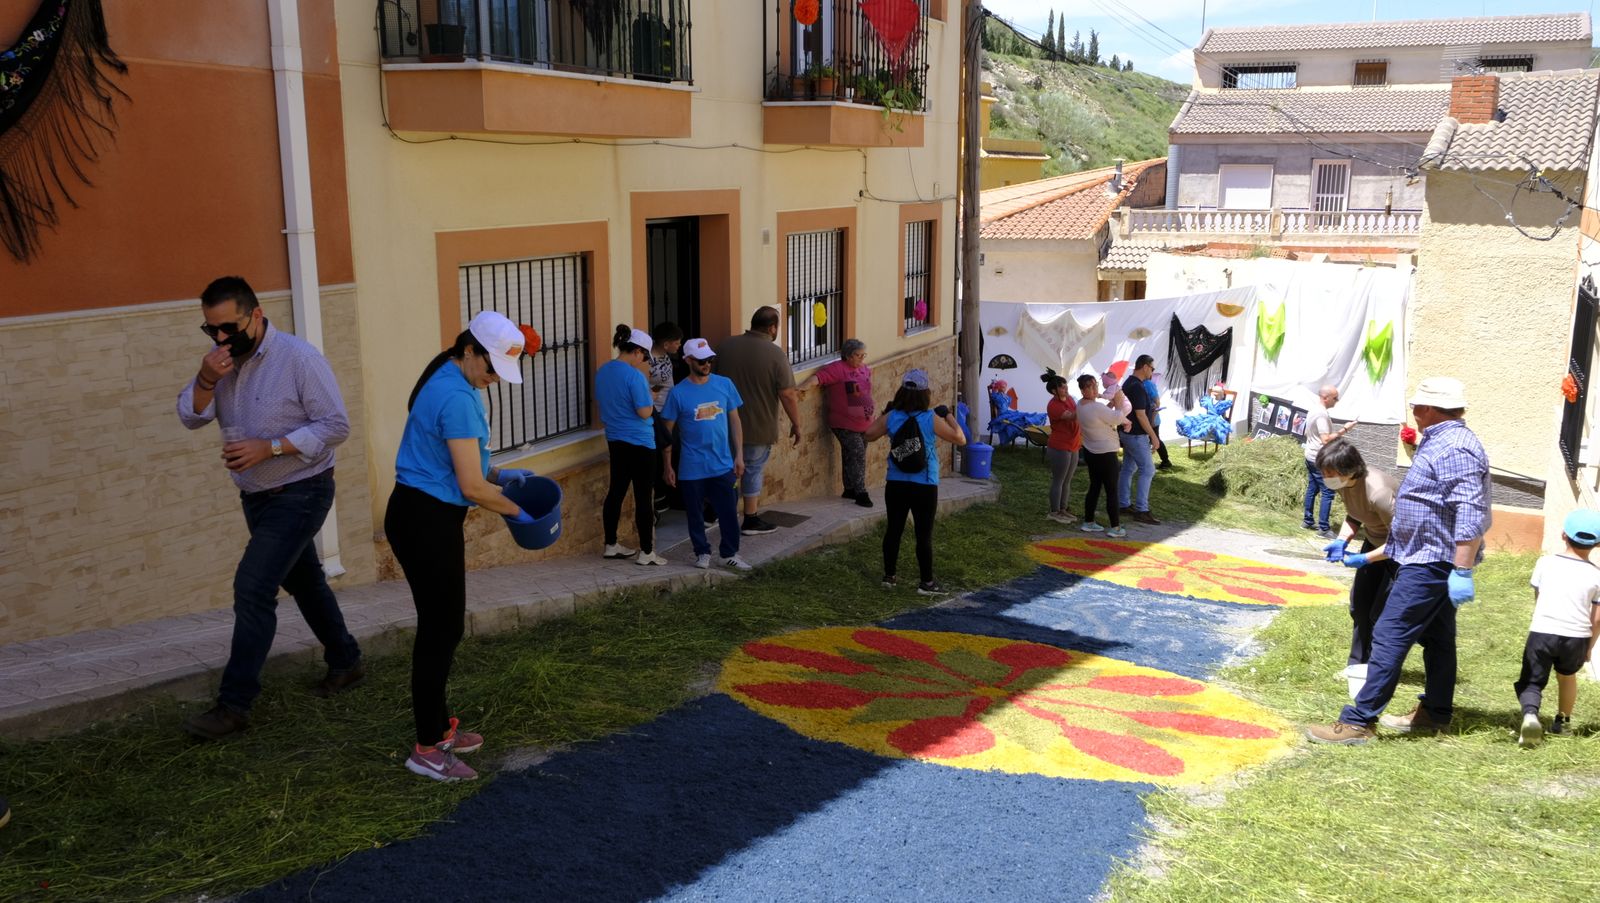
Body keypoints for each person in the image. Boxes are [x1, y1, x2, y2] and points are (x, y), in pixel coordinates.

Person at [175, 276, 363, 741]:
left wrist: (272, 447)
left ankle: (233, 705)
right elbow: (189, 415)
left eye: (230, 328)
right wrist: (205, 379)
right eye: (211, 329)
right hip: (255, 496)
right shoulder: (221, 365)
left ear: (256, 316)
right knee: (305, 580)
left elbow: (336, 425)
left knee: (253, 587)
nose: (221, 339)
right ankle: (346, 660)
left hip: (303, 489)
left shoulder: (298, 359)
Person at [387, 310, 535, 781]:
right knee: (440, 630)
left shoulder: (452, 380)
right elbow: (469, 487)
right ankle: (427, 748)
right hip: (424, 518)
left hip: (422, 513)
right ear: (469, 350)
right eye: (490, 368)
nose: (493, 379)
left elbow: (458, 463)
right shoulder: (456, 395)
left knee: (443, 627)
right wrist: (517, 510)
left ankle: (438, 728)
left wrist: (498, 474)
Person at [1307, 377, 1490, 745]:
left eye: (1416, 405)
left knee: (1389, 633)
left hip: (1431, 561)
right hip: (1426, 555)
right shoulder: (1440, 441)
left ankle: (1359, 721)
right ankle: (1436, 713)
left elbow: (1469, 511)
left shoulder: (1455, 447)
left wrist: (1463, 569)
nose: (1413, 411)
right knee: (1438, 638)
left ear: (1429, 409)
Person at [866, 368, 967, 595]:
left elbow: (868, 434)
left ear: (901, 391)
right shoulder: (930, 418)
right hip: (925, 483)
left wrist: (886, 413)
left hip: (896, 481)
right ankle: (927, 583)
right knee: (923, 534)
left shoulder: (893, 417)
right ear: (925, 394)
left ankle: (889, 577)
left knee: (894, 529)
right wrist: (948, 414)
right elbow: (960, 438)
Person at [1316, 439, 1399, 700]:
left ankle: (1375, 669)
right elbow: (1355, 515)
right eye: (1324, 472)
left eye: (1330, 474)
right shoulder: (1346, 484)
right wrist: (1343, 540)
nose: (1325, 478)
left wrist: (1365, 560)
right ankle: (1356, 664)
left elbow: (1402, 541)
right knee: (1359, 606)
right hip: (1374, 543)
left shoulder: (1380, 492)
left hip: (1399, 553)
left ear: (1350, 470)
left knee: (1379, 614)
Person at [662, 338, 752, 571]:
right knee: (695, 515)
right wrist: (667, 465)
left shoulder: (725, 384)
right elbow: (667, 432)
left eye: (710, 359)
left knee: (729, 512)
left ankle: (729, 553)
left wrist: (739, 455)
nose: (707, 364)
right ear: (688, 360)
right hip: (692, 466)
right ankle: (701, 552)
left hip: (723, 464)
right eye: (701, 360)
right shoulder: (678, 393)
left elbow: (735, 421)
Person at [1513, 510, 1600, 747]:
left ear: (1563, 535)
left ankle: (1531, 715)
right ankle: (1563, 722)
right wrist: (1590, 647)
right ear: (1598, 543)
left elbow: (1538, 595)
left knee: (1532, 681)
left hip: (1543, 631)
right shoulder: (1596, 574)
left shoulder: (1546, 562)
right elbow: (1598, 617)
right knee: (1568, 676)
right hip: (1577, 637)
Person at [716, 307, 800, 536]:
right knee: (751, 470)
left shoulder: (725, 346)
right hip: (757, 425)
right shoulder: (775, 354)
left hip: (721, 424)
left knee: (724, 467)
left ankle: (717, 511)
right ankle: (750, 518)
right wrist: (797, 424)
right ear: (773, 327)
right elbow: (787, 394)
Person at [597, 324, 664, 565]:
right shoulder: (634, 376)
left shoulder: (602, 371)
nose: (643, 361)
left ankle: (610, 544)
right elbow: (644, 412)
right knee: (643, 496)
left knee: (616, 492)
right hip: (641, 443)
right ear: (636, 351)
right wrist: (651, 396)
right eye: (644, 356)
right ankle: (647, 552)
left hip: (615, 440)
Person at [801, 339, 875, 507]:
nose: (862, 358)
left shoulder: (864, 369)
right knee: (857, 454)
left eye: (864, 355)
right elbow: (818, 378)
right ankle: (860, 493)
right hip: (844, 423)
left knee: (851, 454)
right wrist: (801, 387)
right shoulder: (838, 369)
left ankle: (849, 489)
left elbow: (866, 391)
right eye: (858, 355)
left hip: (864, 423)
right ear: (848, 356)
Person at [1076, 374, 1131, 538]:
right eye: (1089, 387)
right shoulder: (1096, 407)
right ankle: (1115, 526)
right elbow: (1118, 417)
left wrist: (1112, 404)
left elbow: (1103, 416)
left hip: (1091, 451)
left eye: (1095, 385)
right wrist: (1119, 402)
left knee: (1094, 487)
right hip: (1106, 453)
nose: (1094, 389)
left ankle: (1089, 521)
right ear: (1082, 389)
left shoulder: (1081, 404)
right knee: (1111, 490)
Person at [1302, 385, 1356, 537]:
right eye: (1335, 398)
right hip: (1319, 458)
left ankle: (1308, 520)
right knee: (1328, 491)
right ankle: (1324, 528)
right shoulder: (1321, 415)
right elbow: (1325, 439)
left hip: (1310, 454)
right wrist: (1345, 429)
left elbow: (1307, 431)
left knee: (1312, 488)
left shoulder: (1314, 409)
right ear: (1325, 398)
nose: (1337, 401)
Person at [1117, 355, 1162, 526]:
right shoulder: (1136, 386)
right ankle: (1142, 510)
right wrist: (1153, 436)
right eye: (1152, 368)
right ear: (1144, 367)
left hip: (1129, 433)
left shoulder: (1131, 383)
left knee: (1128, 468)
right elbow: (1140, 415)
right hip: (1135, 434)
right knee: (1148, 470)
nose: (1152, 371)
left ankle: (1124, 504)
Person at [648, 322, 686, 517]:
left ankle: (672, 494)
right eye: (676, 342)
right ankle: (660, 496)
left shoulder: (666, 357)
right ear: (665, 344)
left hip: (671, 410)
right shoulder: (647, 360)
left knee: (674, 449)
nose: (679, 346)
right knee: (660, 451)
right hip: (657, 413)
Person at [1041, 370, 1080, 524]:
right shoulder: (1054, 406)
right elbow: (1072, 416)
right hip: (1060, 446)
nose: (1066, 389)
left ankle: (1063, 509)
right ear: (1054, 391)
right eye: (1062, 387)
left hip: (1073, 444)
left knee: (1067, 480)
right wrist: (1086, 404)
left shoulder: (1069, 399)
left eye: (1066, 386)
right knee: (1059, 480)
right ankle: (1054, 511)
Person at [1144, 370, 1172, 469]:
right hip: (1148, 418)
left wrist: (1152, 419)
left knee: (1155, 439)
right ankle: (1163, 461)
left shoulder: (1148, 384)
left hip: (1152, 419)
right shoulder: (1143, 383)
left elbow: (1157, 402)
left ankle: (1166, 461)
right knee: (1152, 439)